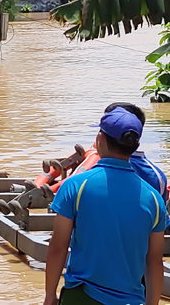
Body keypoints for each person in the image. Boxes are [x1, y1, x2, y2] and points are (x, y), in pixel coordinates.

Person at [44, 107, 169, 305]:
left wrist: (50, 294)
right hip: (131, 300)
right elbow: (154, 261)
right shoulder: (154, 199)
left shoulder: (76, 186)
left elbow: (58, 246)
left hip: (81, 296)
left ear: (100, 139)